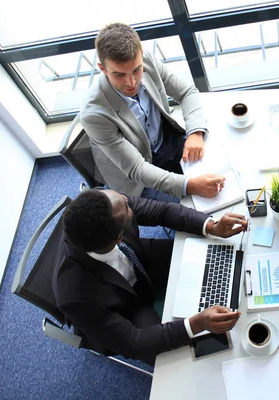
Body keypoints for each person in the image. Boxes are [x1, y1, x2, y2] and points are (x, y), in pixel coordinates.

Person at [53, 189, 247, 365]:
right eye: (129, 208)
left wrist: (211, 226)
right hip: (128, 309)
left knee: (205, 250)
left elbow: (162, 211)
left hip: (140, 260)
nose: (130, 202)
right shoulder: (75, 296)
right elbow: (134, 343)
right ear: (118, 238)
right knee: (174, 357)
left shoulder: (108, 203)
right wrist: (195, 324)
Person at [81, 22, 224, 201]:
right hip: (136, 180)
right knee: (192, 211)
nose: (132, 83)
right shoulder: (94, 115)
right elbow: (137, 169)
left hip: (166, 141)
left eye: (136, 70)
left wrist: (195, 132)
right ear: (103, 70)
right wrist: (190, 185)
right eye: (119, 75)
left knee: (221, 170)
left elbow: (187, 92)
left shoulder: (146, 60)